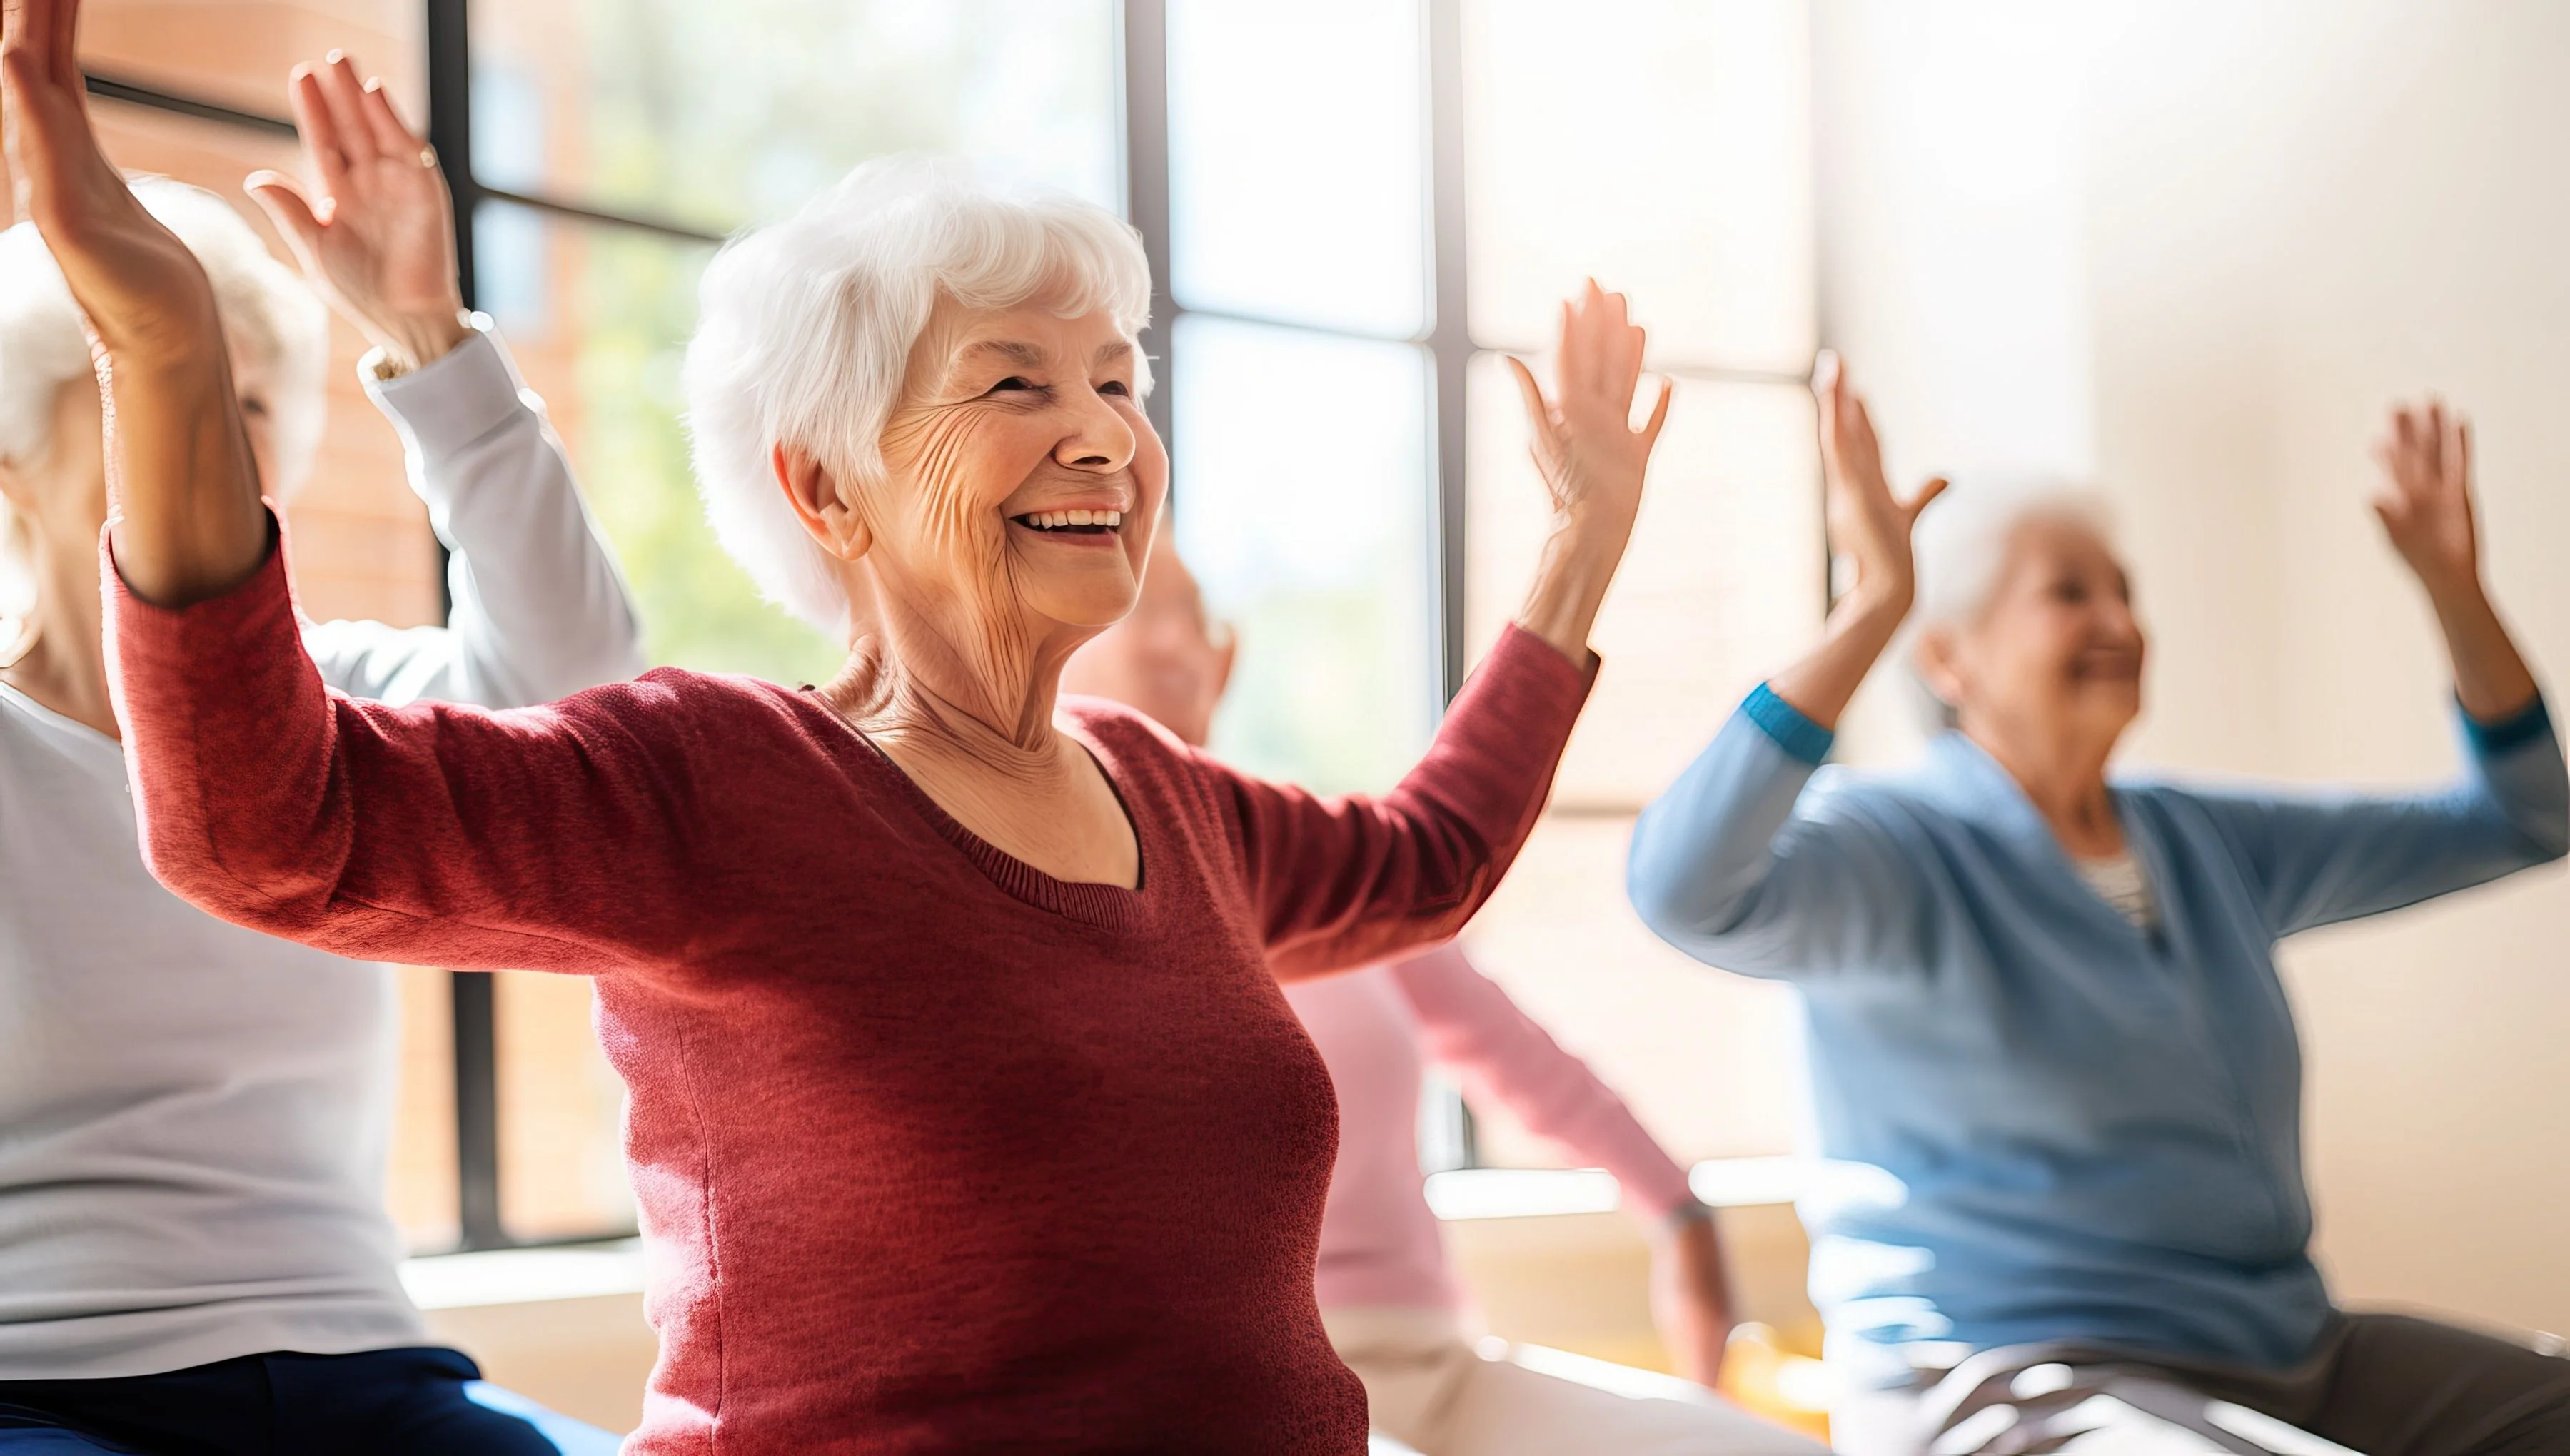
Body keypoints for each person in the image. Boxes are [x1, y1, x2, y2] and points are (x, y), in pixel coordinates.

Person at [5, 1, 1671, 1446]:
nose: (1100, 435)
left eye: (1120, 379)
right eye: (1016, 383)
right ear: (827, 488)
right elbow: (268, 826)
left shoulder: (1180, 804)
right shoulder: (721, 781)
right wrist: (163, 349)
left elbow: (1429, 859)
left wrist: (1579, 549)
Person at [1623, 353, 2570, 1455]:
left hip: (2282, 1351)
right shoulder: (1895, 850)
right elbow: (1680, 887)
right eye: (2071, 592)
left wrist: (2456, 592)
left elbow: (2525, 819)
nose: (2119, 618)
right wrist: (1874, 605)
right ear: (1947, 657)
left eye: (2125, 590)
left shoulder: (2205, 840)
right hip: (2004, 1379)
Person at [0, 50, 638, 1455]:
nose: (196, 440)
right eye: (142, 390)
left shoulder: (334, 697)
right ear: (9, 463)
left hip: (363, 1372)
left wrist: (430, 336)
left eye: (244, 414)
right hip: (37, 1384)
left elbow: (584, 709)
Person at [1062, 538, 1830, 1456]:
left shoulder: (1329, 863)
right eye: (1151, 612)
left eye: (1203, 616)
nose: (1191, 644)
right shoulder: (1060, 895)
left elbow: (1526, 1064)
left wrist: (1680, 1213)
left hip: (1435, 1363)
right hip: (1245, 1394)